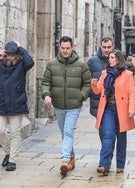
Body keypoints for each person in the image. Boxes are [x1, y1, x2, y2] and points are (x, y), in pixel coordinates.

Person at [41, 36, 91, 177]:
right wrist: (46, 95)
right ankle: (72, 157)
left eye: (67, 48)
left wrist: (81, 96)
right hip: (58, 105)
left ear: (72, 48)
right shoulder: (52, 64)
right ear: (59, 48)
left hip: (74, 105)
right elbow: (45, 82)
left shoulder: (81, 65)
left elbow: (87, 84)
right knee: (64, 133)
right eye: (63, 48)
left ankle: (64, 161)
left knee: (68, 131)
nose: (65, 51)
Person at [91, 49, 135, 176]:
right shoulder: (105, 73)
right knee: (108, 135)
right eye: (109, 57)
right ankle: (103, 164)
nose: (110, 59)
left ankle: (120, 164)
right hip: (108, 108)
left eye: (112, 57)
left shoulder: (127, 74)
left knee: (121, 138)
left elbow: (132, 93)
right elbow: (98, 90)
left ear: (118, 59)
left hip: (122, 109)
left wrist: (131, 109)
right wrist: (94, 84)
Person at [0, 41, 34, 171]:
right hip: (1, 102)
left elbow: (30, 62)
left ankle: (12, 160)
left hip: (16, 103)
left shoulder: (22, 64)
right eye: (8, 55)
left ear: (17, 54)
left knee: (15, 133)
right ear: (5, 54)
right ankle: (8, 151)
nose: (11, 57)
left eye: (13, 55)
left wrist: (21, 47)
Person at [87, 37, 115, 117]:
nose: (106, 50)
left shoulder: (118, 60)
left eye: (109, 47)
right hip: (98, 101)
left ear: (113, 47)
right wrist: (91, 92)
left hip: (114, 103)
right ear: (100, 47)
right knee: (102, 128)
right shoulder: (92, 61)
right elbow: (85, 79)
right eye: (104, 47)